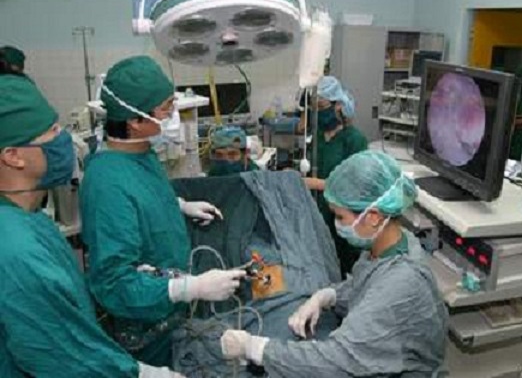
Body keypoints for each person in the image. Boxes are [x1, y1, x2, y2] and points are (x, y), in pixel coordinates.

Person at [0, 75, 184, 377]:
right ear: (14, 156)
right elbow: (63, 356)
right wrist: (138, 372)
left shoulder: (30, 218)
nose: (65, 141)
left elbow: (62, 298)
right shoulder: (16, 250)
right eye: (53, 132)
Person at [220, 150, 448, 377]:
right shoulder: (392, 243)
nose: (337, 224)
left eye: (340, 217)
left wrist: (257, 348)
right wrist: (330, 296)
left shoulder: (401, 283)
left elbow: (336, 362)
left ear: (373, 217)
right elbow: (366, 287)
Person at [79, 56, 245, 367]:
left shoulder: (141, 153)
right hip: (145, 328)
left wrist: (177, 205)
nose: (173, 114)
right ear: (134, 120)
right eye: (166, 107)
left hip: (171, 315)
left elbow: (140, 197)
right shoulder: (106, 184)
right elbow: (114, 284)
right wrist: (192, 287)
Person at [304, 76, 368, 276]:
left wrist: (316, 184)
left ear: (338, 105)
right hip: (318, 213)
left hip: (343, 217)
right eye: (313, 108)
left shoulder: (354, 140)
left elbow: (356, 185)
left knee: (343, 267)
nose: (317, 113)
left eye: (321, 107)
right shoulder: (317, 136)